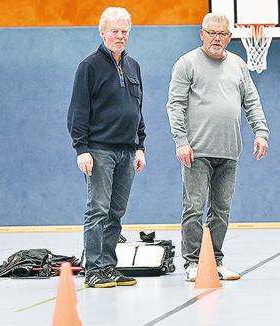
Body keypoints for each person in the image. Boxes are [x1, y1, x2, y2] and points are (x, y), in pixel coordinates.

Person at [167, 13, 269, 281]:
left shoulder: (238, 65)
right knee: (194, 208)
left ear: (229, 37)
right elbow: (175, 105)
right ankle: (191, 263)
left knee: (221, 210)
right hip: (196, 152)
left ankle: (215, 261)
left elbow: (252, 101)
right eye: (211, 33)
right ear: (202, 34)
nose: (216, 38)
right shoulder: (186, 63)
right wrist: (181, 142)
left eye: (222, 34)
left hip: (229, 151)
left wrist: (261, 132)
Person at [67, 6, 146, 288]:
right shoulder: (89, 66)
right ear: (102, 33)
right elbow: (77, 111)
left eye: (125, 31)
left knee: (116, 212)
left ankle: (109, 266)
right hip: (99, 150)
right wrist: (81, 149)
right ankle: (93, 270)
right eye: (115, 31)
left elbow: (137, 109)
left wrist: (140, 146)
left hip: (127, 151)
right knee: (98, 210)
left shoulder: (133, 66)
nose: (120, 36)